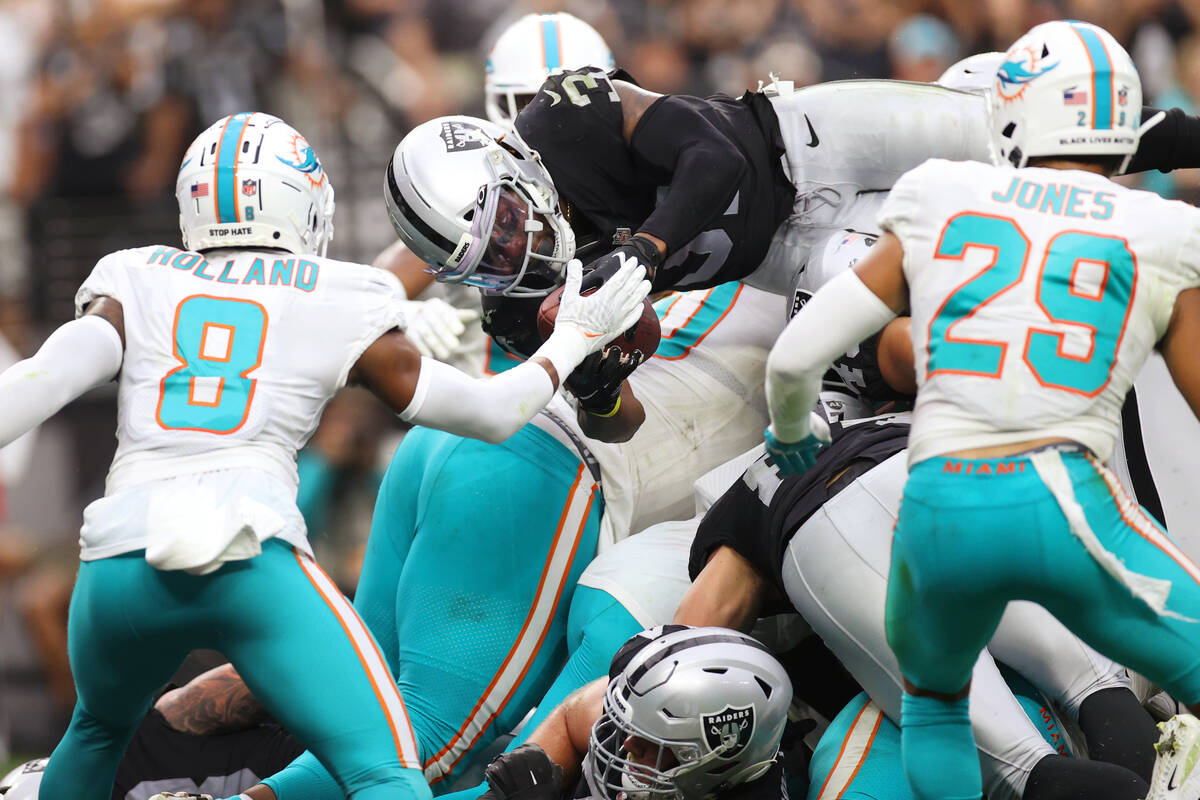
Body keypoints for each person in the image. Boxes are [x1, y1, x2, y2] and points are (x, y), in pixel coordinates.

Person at [0, 111, 649, 800]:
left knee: (95, 736)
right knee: (385, 770)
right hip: (249, 557)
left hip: (118, 564)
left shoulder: (135, 274)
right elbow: (491, 414)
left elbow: (44, 380)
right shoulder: (340, 294)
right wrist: (574, 338)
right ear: (302, 203)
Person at [99, 279, 784, 800]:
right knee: (429, 746)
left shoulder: (732, 234)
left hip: (467, 433)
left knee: (355, 688)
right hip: (544, 476)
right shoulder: (802, 296)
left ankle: (109, 760)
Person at [762, 19, 1200, 798]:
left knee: (937, 712)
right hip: (1065, 502)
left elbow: (795, 355)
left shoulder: (941, 197)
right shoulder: (1162, 226)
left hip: (935, 511)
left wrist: (790, 435)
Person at [386, 51, 1200, 305]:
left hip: (808, 141)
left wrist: (642, 245)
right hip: (789, 256)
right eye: (484, 261)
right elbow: (615, 397)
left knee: (1024, 142)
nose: (514, 253)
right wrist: (601, 360)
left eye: (498, 226)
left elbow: (715, 158)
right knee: (951, 282)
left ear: (499, 167)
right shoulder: (531, 287)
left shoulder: (568, 114)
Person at [475, 626, 793, 800]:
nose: (627, 745)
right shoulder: (641, 710)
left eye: (649, 740)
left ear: (723, 752)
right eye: (630, 727)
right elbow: (576, 718)